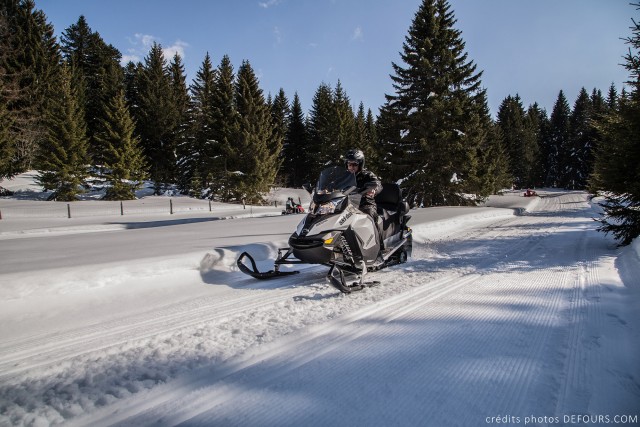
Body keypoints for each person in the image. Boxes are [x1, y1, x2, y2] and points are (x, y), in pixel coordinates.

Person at [344, 148, 384, 247]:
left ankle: (379, 246)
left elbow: (378, 184)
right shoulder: (343, 177)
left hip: (364, 203)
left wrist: (374, 190)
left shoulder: (367, 175)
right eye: (349, 164)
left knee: (369, 215)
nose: (351, 167)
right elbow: (334, 186)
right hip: (346, 205)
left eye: (354, 164)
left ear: (360, 164)